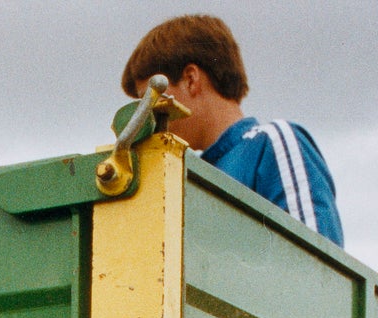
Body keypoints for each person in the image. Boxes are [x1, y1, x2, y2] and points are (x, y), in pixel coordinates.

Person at [122, 15, 344, 247]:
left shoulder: (271, 142)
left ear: (190, 79)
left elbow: (318, 263)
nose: (147, 117)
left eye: (151, 100)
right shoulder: (189, 176)